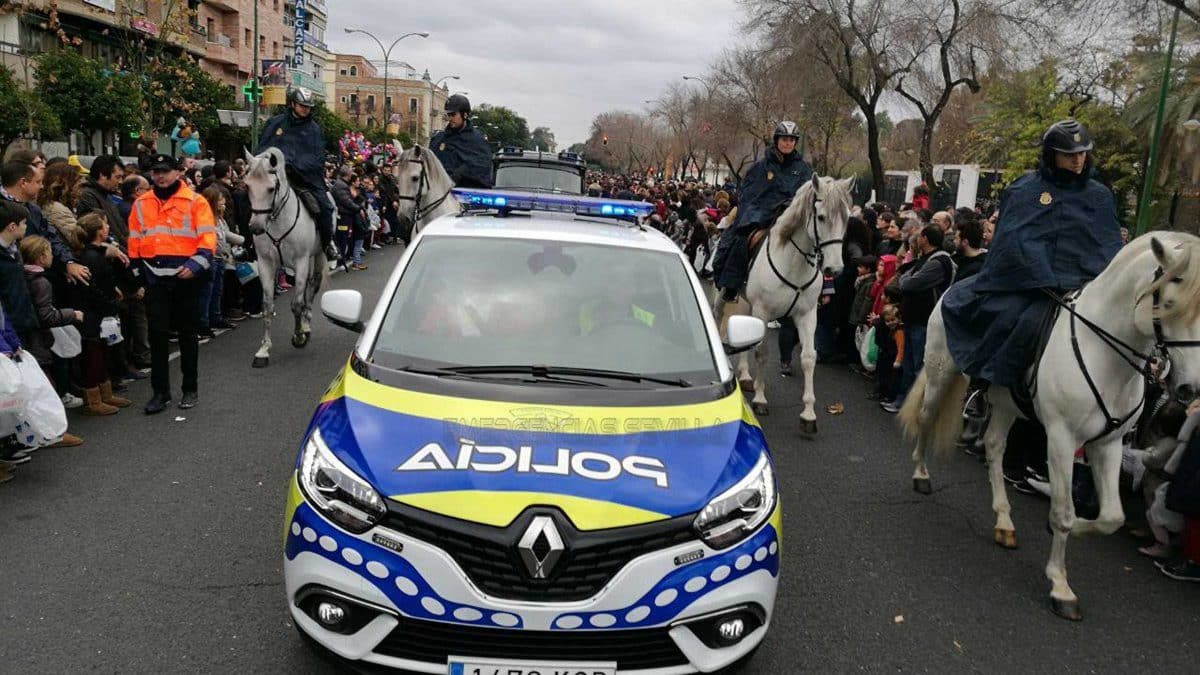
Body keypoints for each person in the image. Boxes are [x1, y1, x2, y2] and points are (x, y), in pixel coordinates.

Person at [942, 120, 1122, 422]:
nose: (1077, 160)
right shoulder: (1025, 189)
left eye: (1082, 153)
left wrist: (1099, 279)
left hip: (1084, 284)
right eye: (1069, 154)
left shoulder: (1100, 196)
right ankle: (980, 386)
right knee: (1009, 317)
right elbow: (1013, 240)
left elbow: (1107, 243)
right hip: (1032, 284)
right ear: (1052, 154)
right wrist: (1041, 276)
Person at [128, 154, 216, 414]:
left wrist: (194, 267)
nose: (160, 176)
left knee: (188, 336)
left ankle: (190, 389)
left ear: (178, 172)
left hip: (186, 279)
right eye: (155, 172)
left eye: (165, 171)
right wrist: (137, 273)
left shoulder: (195, 201)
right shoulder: (141, 204)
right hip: (155, 278)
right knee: (157, 337)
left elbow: (207, 240)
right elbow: (134, 239)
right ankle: (160, 393)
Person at [711, 121, 813, 301]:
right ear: (777, 140)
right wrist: (764, 209)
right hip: (763, 214)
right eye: (784, 139)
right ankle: (732, 284)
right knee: (742, 238)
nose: (788, 143)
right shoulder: (761, 166)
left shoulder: (803, 169)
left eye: (791, 140)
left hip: (791, 216)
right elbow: (750, 193)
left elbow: (807, 193)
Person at [257, 86, 338, 262]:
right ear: (293, 104)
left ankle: (328, 243)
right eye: (302, 105)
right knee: (248, 198)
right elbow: (263, 147)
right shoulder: (275, 123)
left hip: (304, 178)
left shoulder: (314, 129)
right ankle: (248, 245)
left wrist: (292, 165)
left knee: (326, 207)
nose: (305, 109)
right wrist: (268, 162)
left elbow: (317, 157)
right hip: (273, 175)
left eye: (307, 106)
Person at [890, 225, 956, 410]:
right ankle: (903, 401)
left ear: (925, 239)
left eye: (919, 236)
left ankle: (914, 405)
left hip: (923, 321)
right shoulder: (924, 259)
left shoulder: (938, 262)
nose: (917, 239)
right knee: (908, 363)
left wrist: (905, 279)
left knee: (917, 365)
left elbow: (909, 283)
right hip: (913, 318)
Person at [75, 213, 132, 415]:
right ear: (99, 231)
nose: (108, 227)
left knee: (103, 353)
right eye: (105, 225)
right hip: (93, 313)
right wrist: (109, 304)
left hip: (101, 310)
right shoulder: (90, 257)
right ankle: (92, 399)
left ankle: (105, 393)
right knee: (93, 356)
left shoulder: (97, 253)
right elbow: (92, 288)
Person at [429, 94, 494, 189]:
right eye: (448, 115)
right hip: (438, 194)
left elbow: (482, 165)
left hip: (465, 194)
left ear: (465, 115)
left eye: (453, 114)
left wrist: (460, 173)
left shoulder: (477, 140)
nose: (450, 118)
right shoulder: (438, 139)